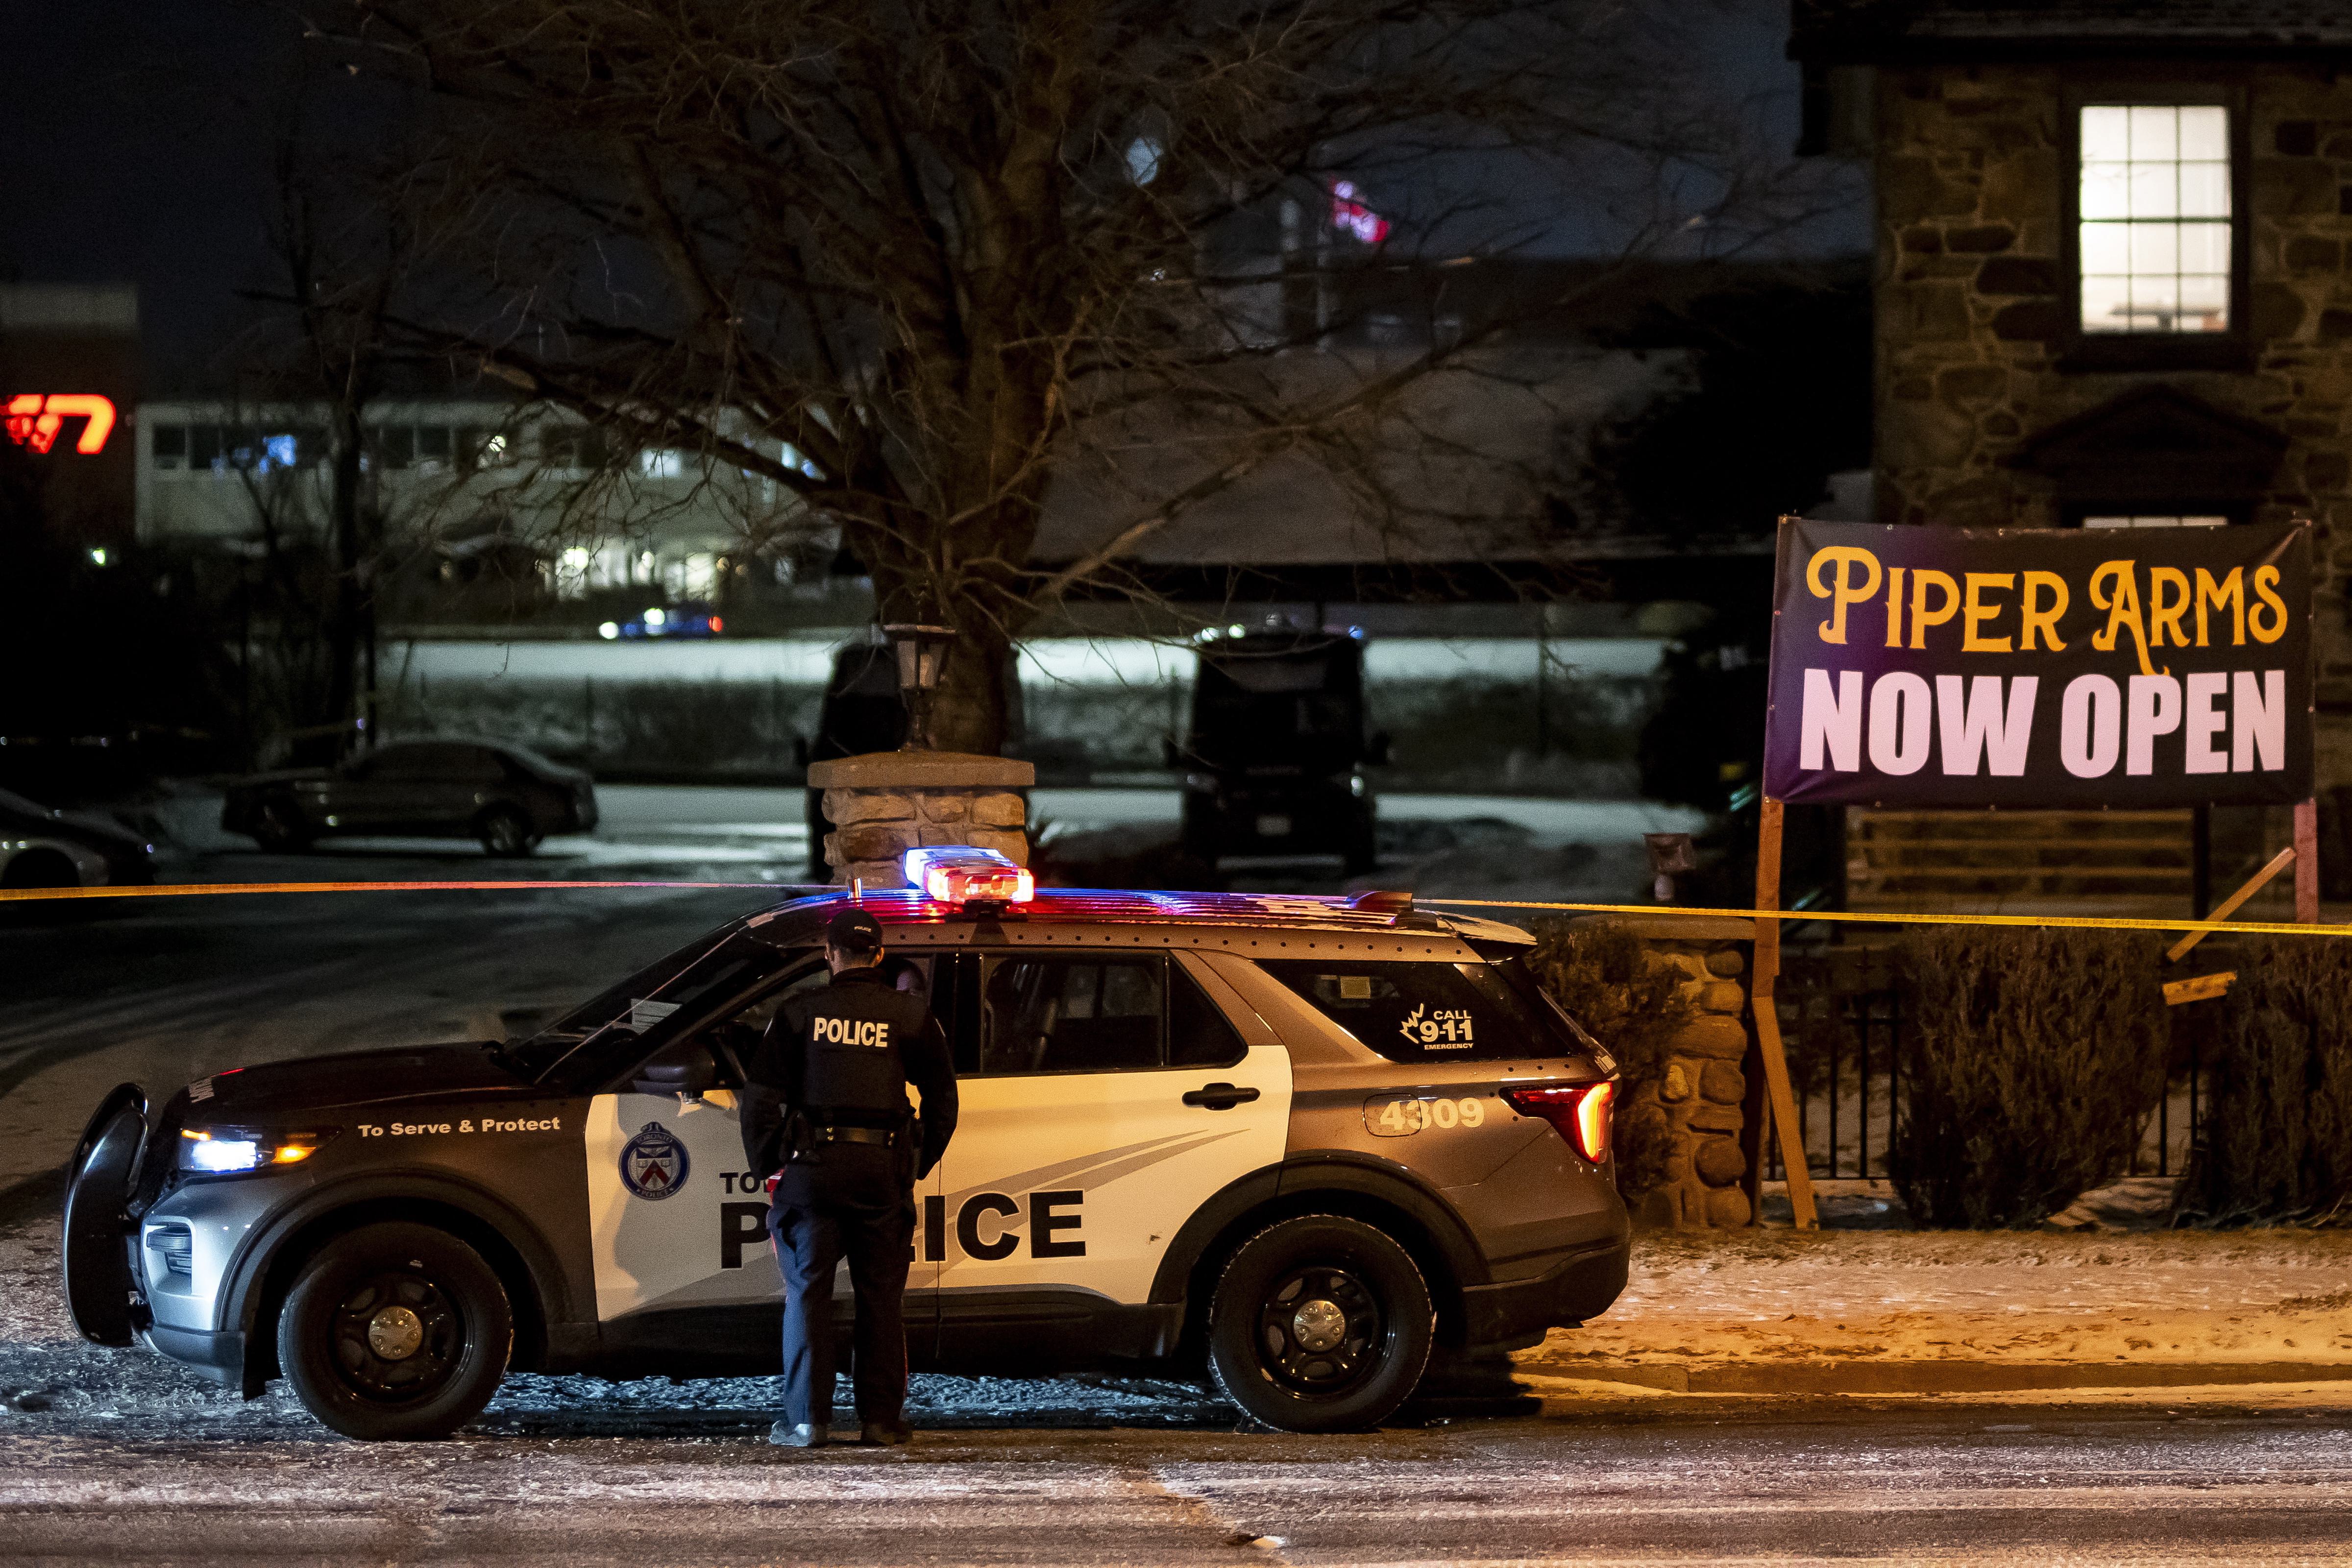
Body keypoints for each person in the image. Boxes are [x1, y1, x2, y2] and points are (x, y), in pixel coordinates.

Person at [741, 907, 957, 1448]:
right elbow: (943, 1101)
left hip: (815, 1174)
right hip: (881, 1174)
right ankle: (881, 1422)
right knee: (880, 1297)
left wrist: (768, 1162)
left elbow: (761, 1100)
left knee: (808, 1293)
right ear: (879, 955)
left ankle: (806, 1422)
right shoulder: (910, 1016)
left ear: (830, 955)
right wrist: (914, 1162)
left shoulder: (798, 1012)